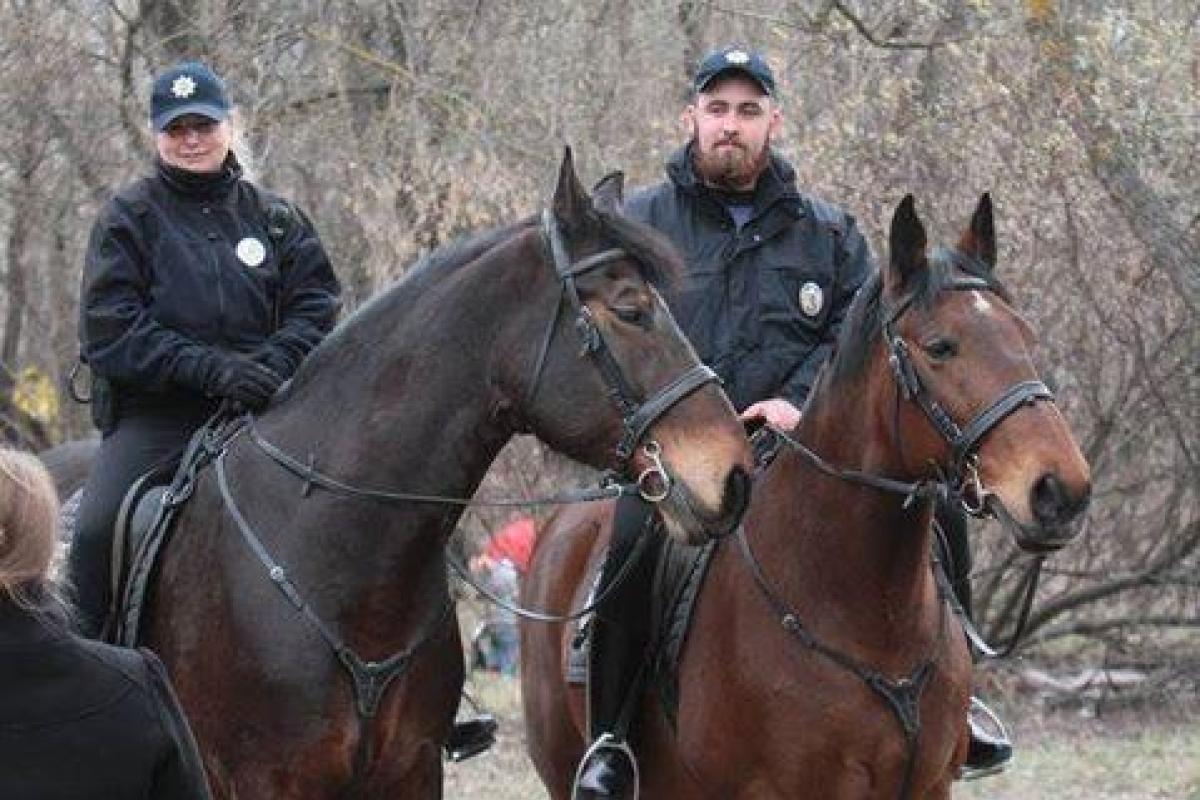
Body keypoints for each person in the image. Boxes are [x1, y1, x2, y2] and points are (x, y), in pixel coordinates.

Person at [574, 46, 1008, 798]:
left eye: (747, 111)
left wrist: (796, 404)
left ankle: (964, 693)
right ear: (690, 120)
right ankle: (612, 740)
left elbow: (859, 337)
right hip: (686, 456)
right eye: (717, 110)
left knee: (934, 505)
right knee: (634, 540)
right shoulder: (642, 224)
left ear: (773, 122)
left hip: (801, 447)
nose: (730, 127)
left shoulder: (830, 235)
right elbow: (619, 337)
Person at [67, 62, 342, 639]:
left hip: (271, 407)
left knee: (371, 494)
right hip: (159, 419)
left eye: (203, 125)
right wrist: (212, 369)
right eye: (176, 128)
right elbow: (111, 328)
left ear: (229, 125)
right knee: (93, 531)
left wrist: (274, 362)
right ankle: (82, 664)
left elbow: (317, 303)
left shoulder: (276, 218)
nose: (191, 139)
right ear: (156, 135)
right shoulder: (129, 219)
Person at [0, 447, 213, 798]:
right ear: (43, 543)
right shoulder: (138, 685)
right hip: (153, 420)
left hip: (243, 417)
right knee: (97, 527)